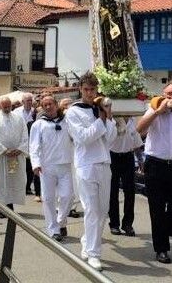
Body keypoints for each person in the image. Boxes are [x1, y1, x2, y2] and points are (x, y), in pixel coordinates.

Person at [136, 83, 172, 264]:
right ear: (163, 94)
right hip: (155, 165)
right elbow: (140, 129)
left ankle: (167, 228)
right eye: (169, 93)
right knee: (157, 208)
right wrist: (157, 112)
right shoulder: (153, 108)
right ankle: (161, 249)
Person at [65, 72, 116, 271]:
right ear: (80, 89)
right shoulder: (73, 112)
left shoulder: (100, 109)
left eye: (92, 89)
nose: (89, 93)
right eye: (86, 89)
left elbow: (111, 139)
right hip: (86, 165)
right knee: (92, 210)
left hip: (104, 163)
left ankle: (87, 243)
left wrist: (108, 117)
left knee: (102, 211)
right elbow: (84, 138)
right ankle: (94, 254)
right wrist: (101, 120)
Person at [30, 95, 74, 241]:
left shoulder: (67, 121)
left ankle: (61, 221)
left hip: (65, 164)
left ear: (56, 104)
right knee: (48, 199)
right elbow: (34, 146)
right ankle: (54, 229)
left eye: (50, 104)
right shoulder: (39, 124)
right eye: (45, 105)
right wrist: (35, 164)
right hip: (47, 166)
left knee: (67, 196)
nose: (48, 107)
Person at [0, 96, 29, 218]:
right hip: (1, 157)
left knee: (13, 180)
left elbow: (25, 135)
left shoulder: (18, 118)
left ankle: (10, 205)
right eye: (4, 107)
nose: (7, 109)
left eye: (8, 106)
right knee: (0, 182)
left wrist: (19, 149)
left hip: (15, 156)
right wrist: (4, 150)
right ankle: (0, 207)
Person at [108, 105, 143, 237]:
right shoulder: (113, 119)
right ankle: (114, 224)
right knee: (113, 192)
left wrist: (140, 159)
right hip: (113, 157)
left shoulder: (132, 120)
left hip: (128, 157)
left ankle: (128, 224)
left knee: (130, 192)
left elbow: (136, 141)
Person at [14, 93, 41, 201]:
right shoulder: (16, 112)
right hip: (20, 141)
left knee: (30, 166)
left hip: (31, 140)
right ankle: (22, 186)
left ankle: (28, 186)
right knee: (21, 165)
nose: (29, 102)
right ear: (22, 102)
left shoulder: (36, 112)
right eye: (27, 100)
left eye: (30, 100)